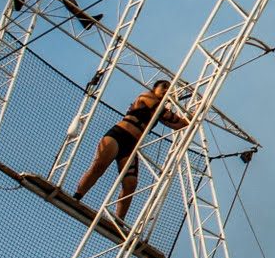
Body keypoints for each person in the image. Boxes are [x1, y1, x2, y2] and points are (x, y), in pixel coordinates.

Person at [71, 79, 188, 228]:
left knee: (130, 183)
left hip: (131, 146)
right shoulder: (146, 97)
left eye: (168, 89)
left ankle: (118, 221)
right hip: (118, 135)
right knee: (99, 167)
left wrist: (191, 116)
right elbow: (167, 114)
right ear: (154, 88)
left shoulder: (160, 110)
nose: (166, 90)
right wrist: (178, 115)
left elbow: (179, 124)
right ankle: (77, 196)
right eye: (164, 87)